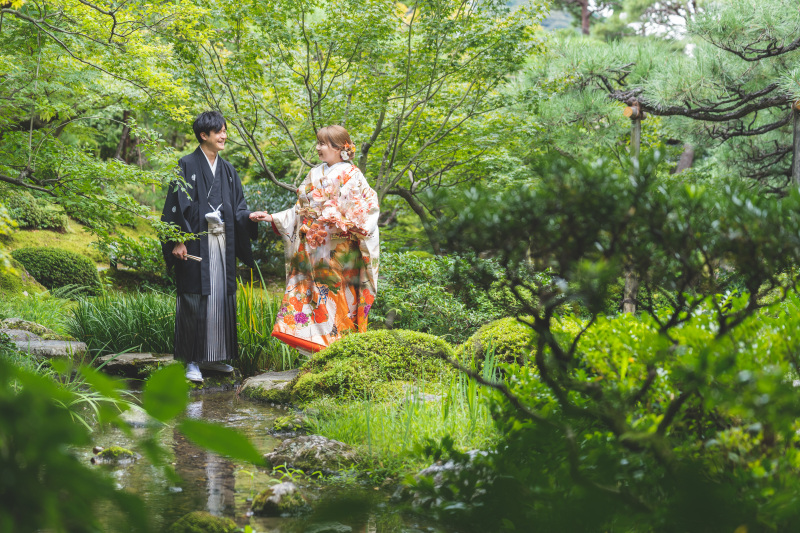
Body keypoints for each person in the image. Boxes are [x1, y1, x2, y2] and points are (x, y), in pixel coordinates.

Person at [250, 125, 380, 354]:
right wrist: (272, 217)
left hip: (340, 249)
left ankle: (337, 353)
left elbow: (368, 209)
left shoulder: (353, 174)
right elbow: (300, 210)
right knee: (310, 299)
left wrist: (346, 221)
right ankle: (314, 355)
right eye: (318, 142)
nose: (318, 148)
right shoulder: (314, 173)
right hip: (312, 248)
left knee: (335, 300)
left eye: (323, 143)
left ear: (340, 148)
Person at [161, 111, 270, 382]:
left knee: (220, 298)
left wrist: (249, 217)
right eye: (219, 131)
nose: (224, 135)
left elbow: (239, 208)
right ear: (203, 135)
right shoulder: (185, 164)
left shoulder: (228, 170)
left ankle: (214, 358)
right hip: (196, 244)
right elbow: (174, 207)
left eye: (224, 130)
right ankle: (192, 362)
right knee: (194, 297)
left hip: (223, 243)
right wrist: (178, 240)